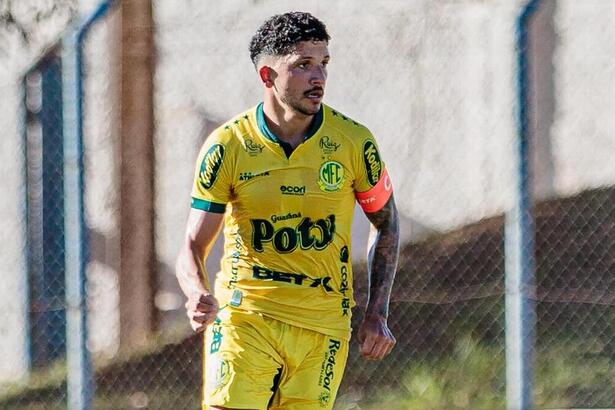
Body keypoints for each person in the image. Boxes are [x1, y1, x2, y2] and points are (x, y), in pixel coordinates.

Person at [176, 11, 400, 410]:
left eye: (324, 64)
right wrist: (196, 293)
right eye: (303, 65)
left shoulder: (353, 142)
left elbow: (387, 224)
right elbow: (193, 244)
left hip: (322, 324)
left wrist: (376, 312)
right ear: (268, 76)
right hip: (246, 319)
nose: (319, 78)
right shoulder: (228, 145)